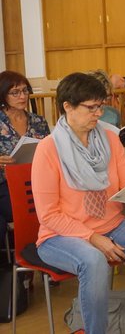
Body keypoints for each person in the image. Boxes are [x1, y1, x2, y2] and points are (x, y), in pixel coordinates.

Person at [31, 73, 125, 334]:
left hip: (111, 226)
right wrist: (91, 237)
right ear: (67, 106)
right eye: (91, 107)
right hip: (60, 236)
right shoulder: (48, 148)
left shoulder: (110, 140)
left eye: (101, 106)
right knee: (93, 261)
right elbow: (49, 215)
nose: (98, 114)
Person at [0, 71, 50, 254]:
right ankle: (26, 261)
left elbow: (50, 151)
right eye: (15, 92)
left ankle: (48, 258)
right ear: (3, 95)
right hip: (6, 184)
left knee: (52, 208)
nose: (22, 96)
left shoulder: (38, 122)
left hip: (36, 180)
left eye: (25, 90)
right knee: (27, 212)